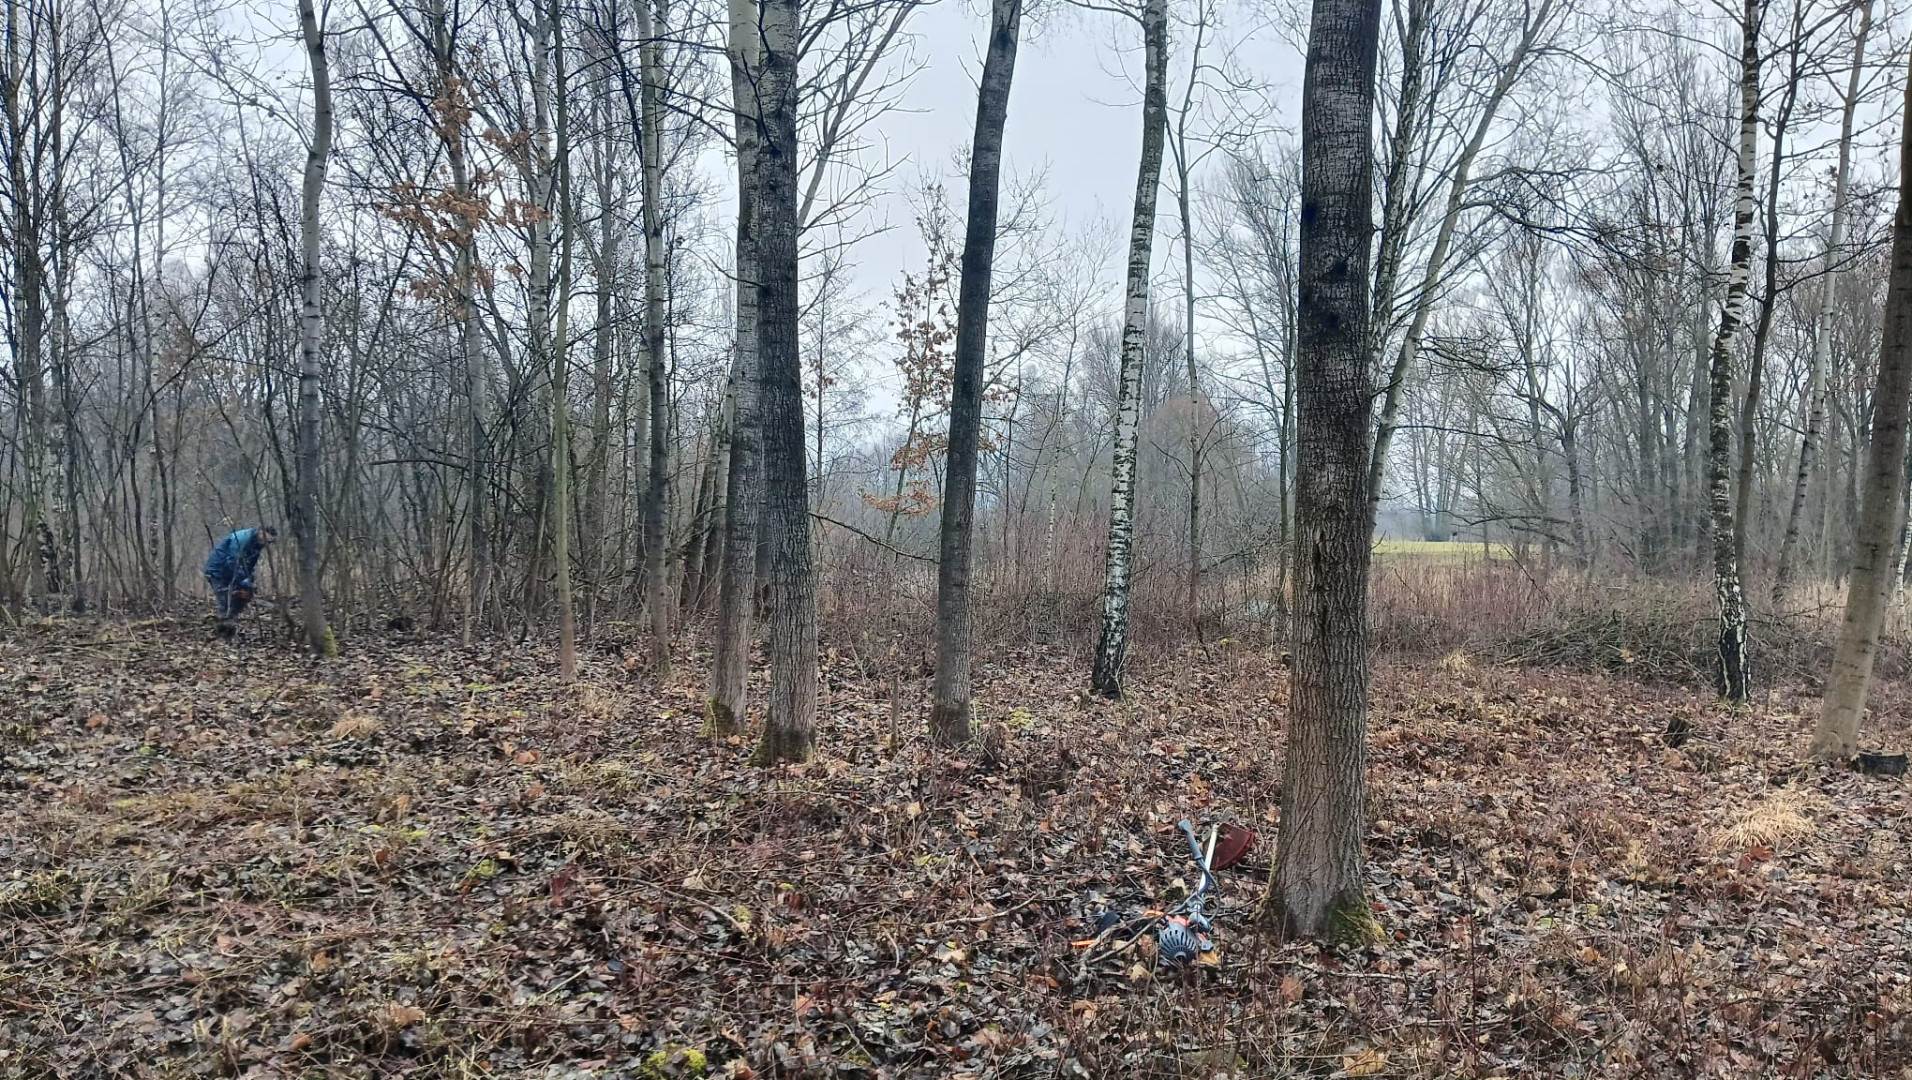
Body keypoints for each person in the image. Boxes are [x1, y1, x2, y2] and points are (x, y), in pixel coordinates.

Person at [205, 525, 277, 633]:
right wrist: (241, 579)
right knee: (225, 600)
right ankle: (223, 631)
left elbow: (250, 564)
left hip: (232, 571)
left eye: (270, 542)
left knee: (241, 598)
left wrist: (249, 580)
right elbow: (232, 561)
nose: (267, 544)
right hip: (218, 570)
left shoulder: (257, 544)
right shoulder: (242, 539)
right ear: (261, 532)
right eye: (267, 539)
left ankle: (231, 625)